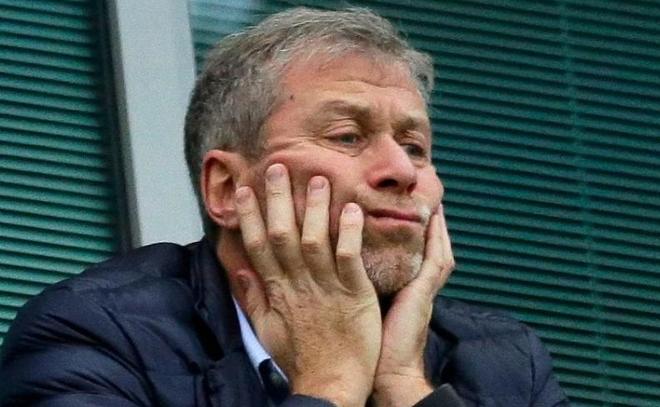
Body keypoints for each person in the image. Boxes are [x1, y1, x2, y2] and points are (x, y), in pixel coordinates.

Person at [0, 7, 569, 407]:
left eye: (416, 147)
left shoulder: (507, 363)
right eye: (347, 136)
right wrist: (330, 382)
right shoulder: (96, 334)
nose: (401, 171)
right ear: (227, 188)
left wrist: (404, 386)